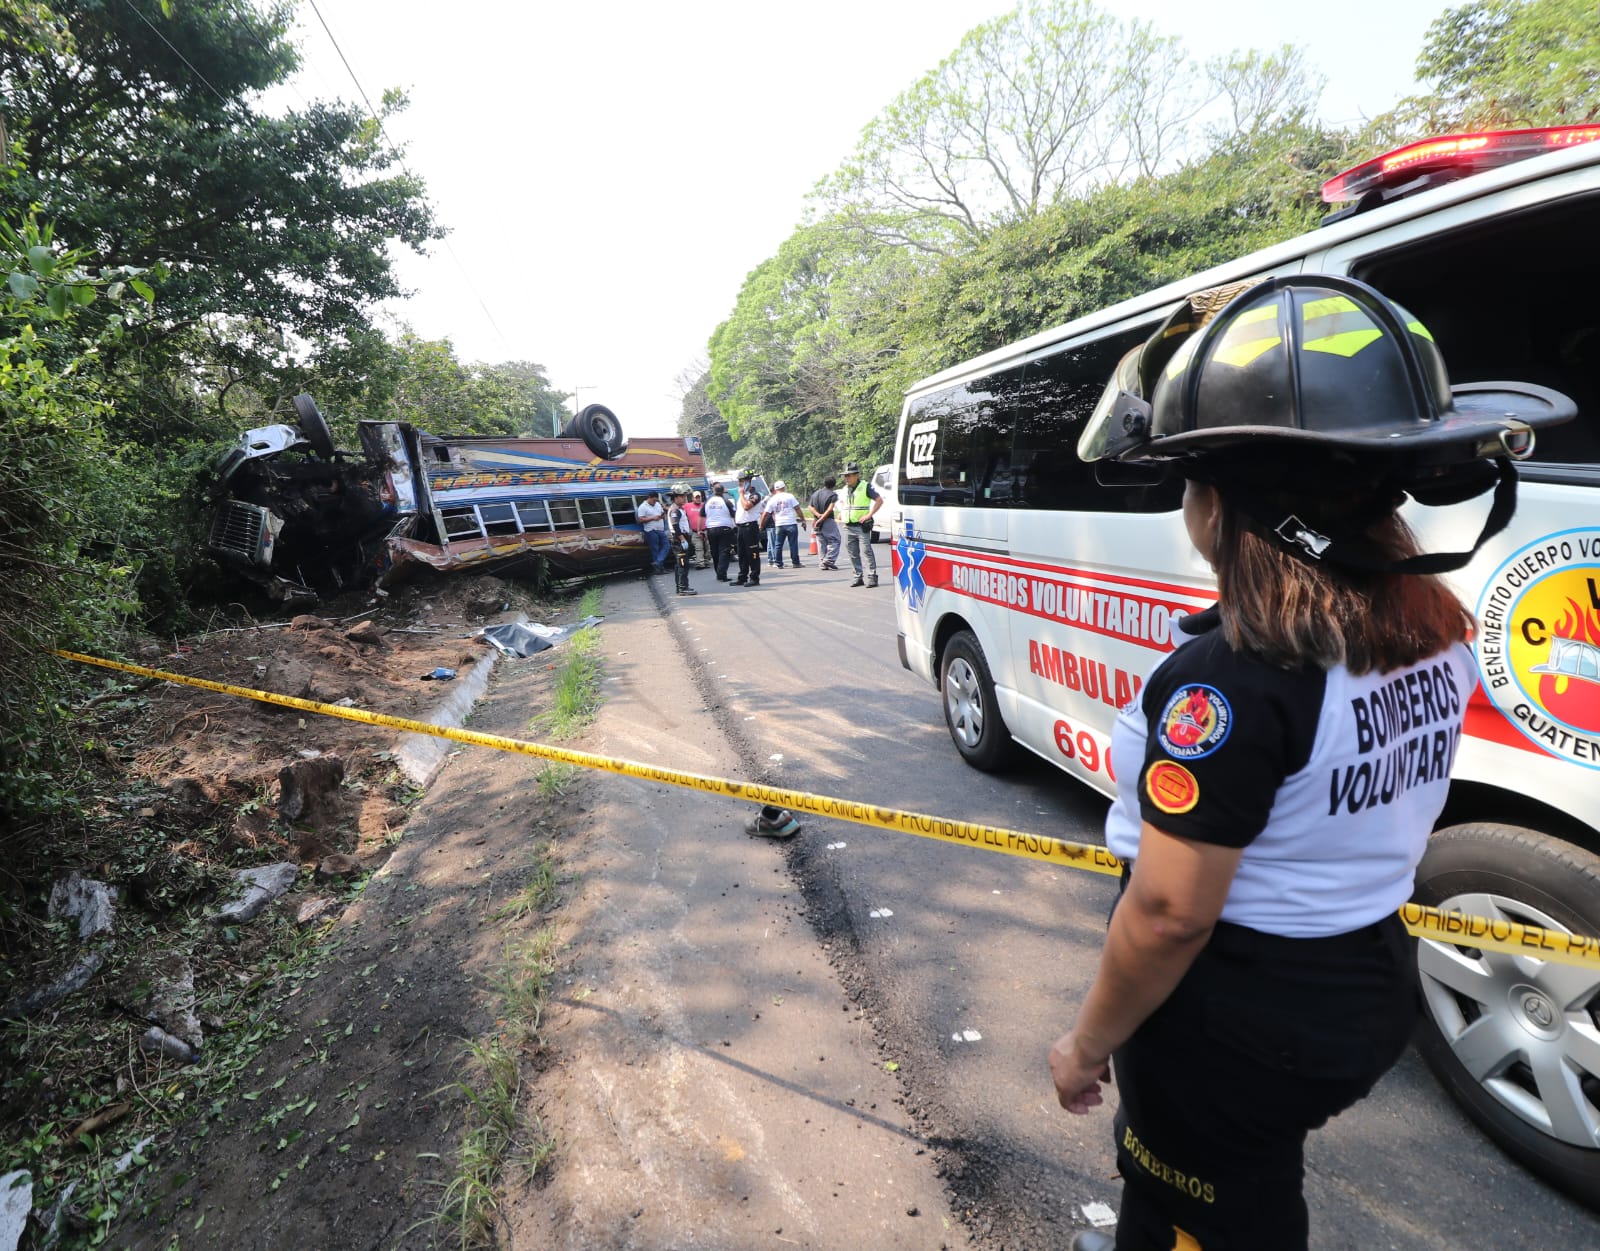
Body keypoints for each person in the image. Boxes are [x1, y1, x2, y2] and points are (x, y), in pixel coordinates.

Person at [1048, 275, 1575, 1251]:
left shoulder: (1231, 688)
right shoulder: (1430, 630)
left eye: (1190, 485)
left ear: (1225, 503)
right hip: (1362, 979)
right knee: (1235, 1171)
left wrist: (1087, 1045)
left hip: (1234, 1014)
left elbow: (1167, 915)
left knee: (1207, 1194)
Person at [838, 462, 881, 587]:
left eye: (849, 475)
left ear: (857, 475)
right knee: (852, 553)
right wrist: (842, 513)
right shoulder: (845, 489)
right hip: (848, 526)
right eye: (845, 476)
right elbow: (842, 503)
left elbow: (879, 500)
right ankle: (858, 576)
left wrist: (869, 515)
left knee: (866, 551)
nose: (846, 478)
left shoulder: (865, 486)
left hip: (861, 526)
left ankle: (872, 576)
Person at [732, 469, 765, 587]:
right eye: (739, 481)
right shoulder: (743, 495)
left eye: (742, 481)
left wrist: (741, 494)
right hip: (741, 528)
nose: (740, 483)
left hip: (750, 527)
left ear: (748, 481)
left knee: (752, 554)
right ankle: (742, 577)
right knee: (742, 554)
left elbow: (747, 507)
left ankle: (754, 578)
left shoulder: (755, 495)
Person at [763, 479, 805, 568]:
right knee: (793, 544)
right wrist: (803, 520)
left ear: (775, 489)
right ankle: (795, 562)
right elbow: (797, 508)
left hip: (779, 524)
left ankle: (778, 563)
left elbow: (765, 513)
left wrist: (761, 525)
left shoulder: (772, 499)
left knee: (778, 544)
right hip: (790, 523)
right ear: (784, 487)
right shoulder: (789, 496)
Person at [702, 482, 738, 581]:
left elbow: (701, 515)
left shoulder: (707, 502)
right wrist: (736, 526)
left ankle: (718, 573)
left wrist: (699, 529)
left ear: (713, 491)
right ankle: (721, 574)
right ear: (723, 492)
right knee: (724, 551)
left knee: (715, 552)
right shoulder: (726, 501)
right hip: (725, 529)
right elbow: (734, 515)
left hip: (711, 529)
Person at [665, 488, 697, 596]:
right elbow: (675, 526)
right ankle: (683, 588)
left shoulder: (679, 508)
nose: (684, 498)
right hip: (679, 540)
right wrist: (682, 539)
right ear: (676, 498)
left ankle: (681, 587)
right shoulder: (675, 510)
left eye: (685, 496)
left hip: (681, 538)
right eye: (682, 496)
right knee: (683, 564)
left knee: (680, 565)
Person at [807, 475, 842, 570]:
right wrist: (822, 518)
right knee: (835, 540)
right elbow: (830, 509)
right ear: (834, 485)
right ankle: (829, 560)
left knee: (821, 542)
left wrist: (818, 516)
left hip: (816, 521)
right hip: (827, 521)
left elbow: (810, 507)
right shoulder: (832, 495)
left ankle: (822, 562)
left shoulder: (816, 494)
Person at [637, 490, 668, 574]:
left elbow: (662, 514)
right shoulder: (642, 507)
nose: (655, 502)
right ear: (649, 498)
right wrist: (652, 518)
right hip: (650, 530)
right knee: (655, 549)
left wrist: (663, 514)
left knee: (666, 545)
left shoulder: (657, 504)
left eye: (656, 500)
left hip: (660, 528)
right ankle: (659, 568)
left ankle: (657, 562)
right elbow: (640, 519)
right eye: (654, 500)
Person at [685, 489, 710, 570]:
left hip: (706, 530)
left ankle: (706, 561)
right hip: (695, 532)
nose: (698, 499)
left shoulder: (705, 505)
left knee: (708, 547)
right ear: (692, 498)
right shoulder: (687, 506)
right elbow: (677, 508)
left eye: (699, 497)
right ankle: (700, 564)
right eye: (696, 497)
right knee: (699, 547)